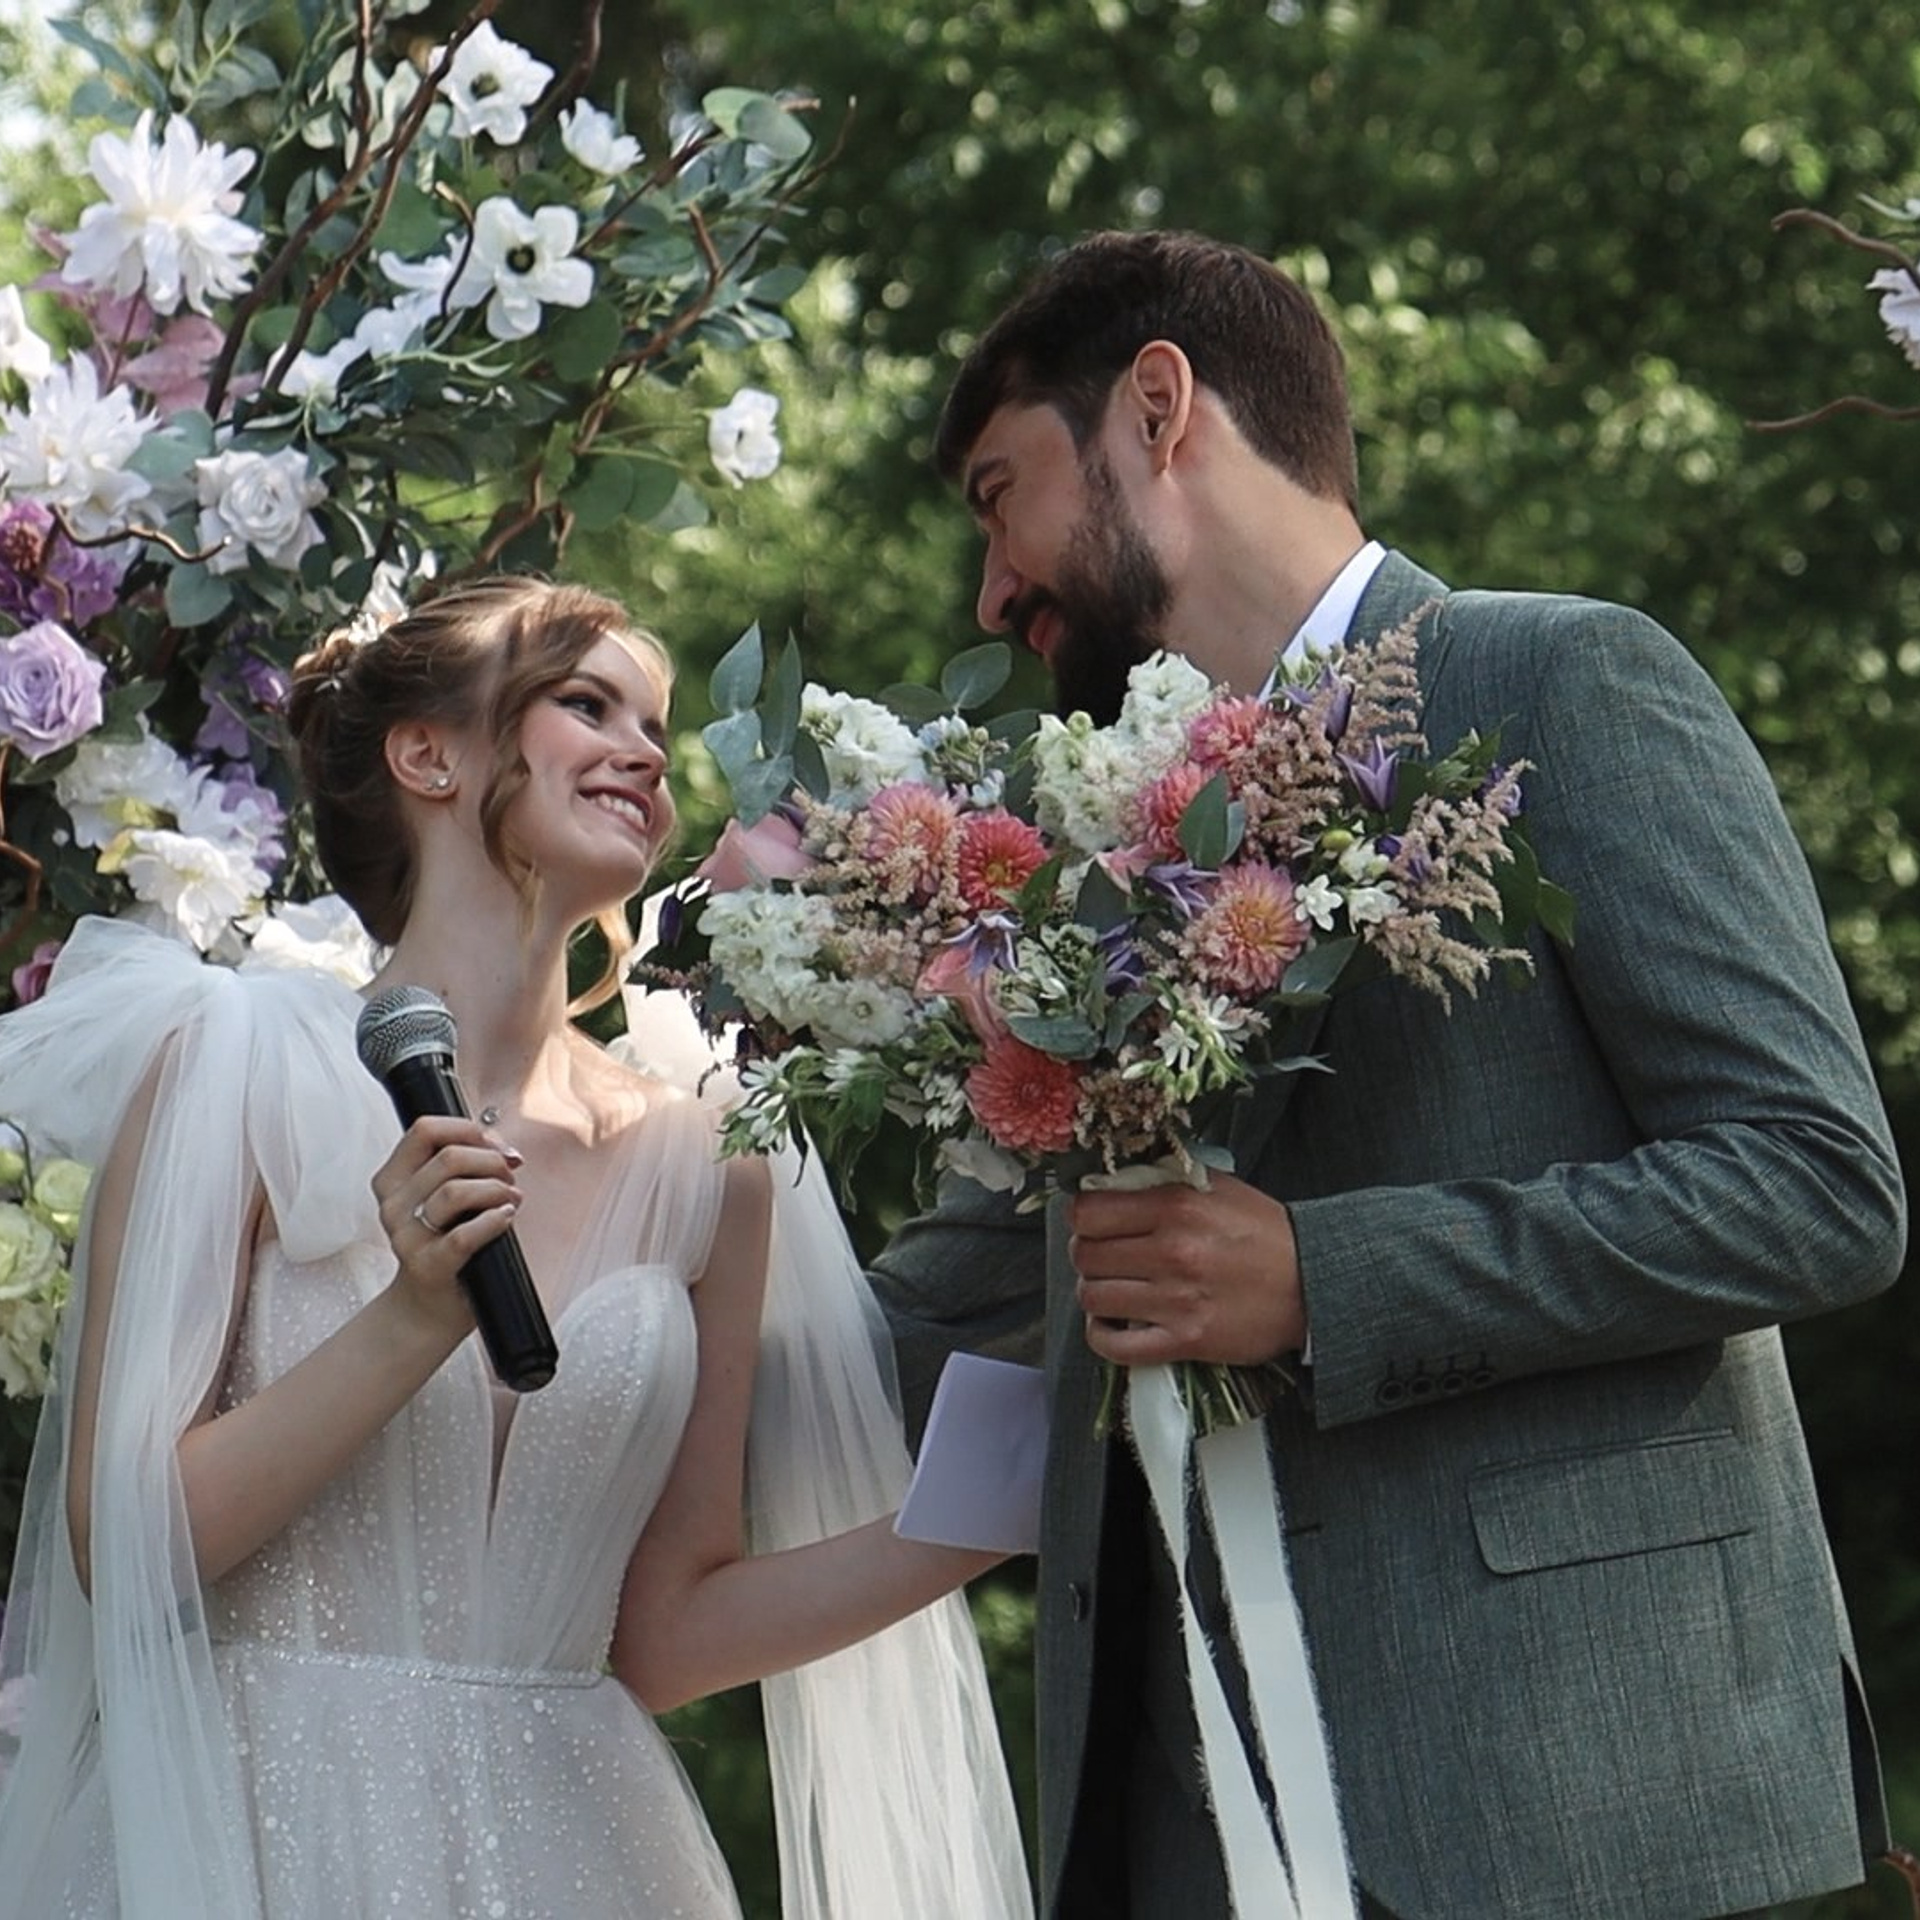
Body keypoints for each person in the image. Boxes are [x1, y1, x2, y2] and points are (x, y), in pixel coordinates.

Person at [867, 229, 1908, 1919]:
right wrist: (631, 1265)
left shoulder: (1563, 678)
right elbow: (986, 1282)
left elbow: (1817, 1186)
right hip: (1177, 1825)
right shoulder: (1095, 848)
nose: (990, 590)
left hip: (1578, 1801)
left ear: (1155, 408)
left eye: (1000, 494)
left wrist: (1323, 1280)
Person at [0, 575, 1032, 1918]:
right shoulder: (233, 1065)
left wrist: (993, 1510)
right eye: (585, 702)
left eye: (656, 726)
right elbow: (126, 1551)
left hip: (579, 1853)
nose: (649, 752)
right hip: (254, 1841)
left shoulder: (710, 1158)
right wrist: (406, 1323)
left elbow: (659, 1635)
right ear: (428, 753)